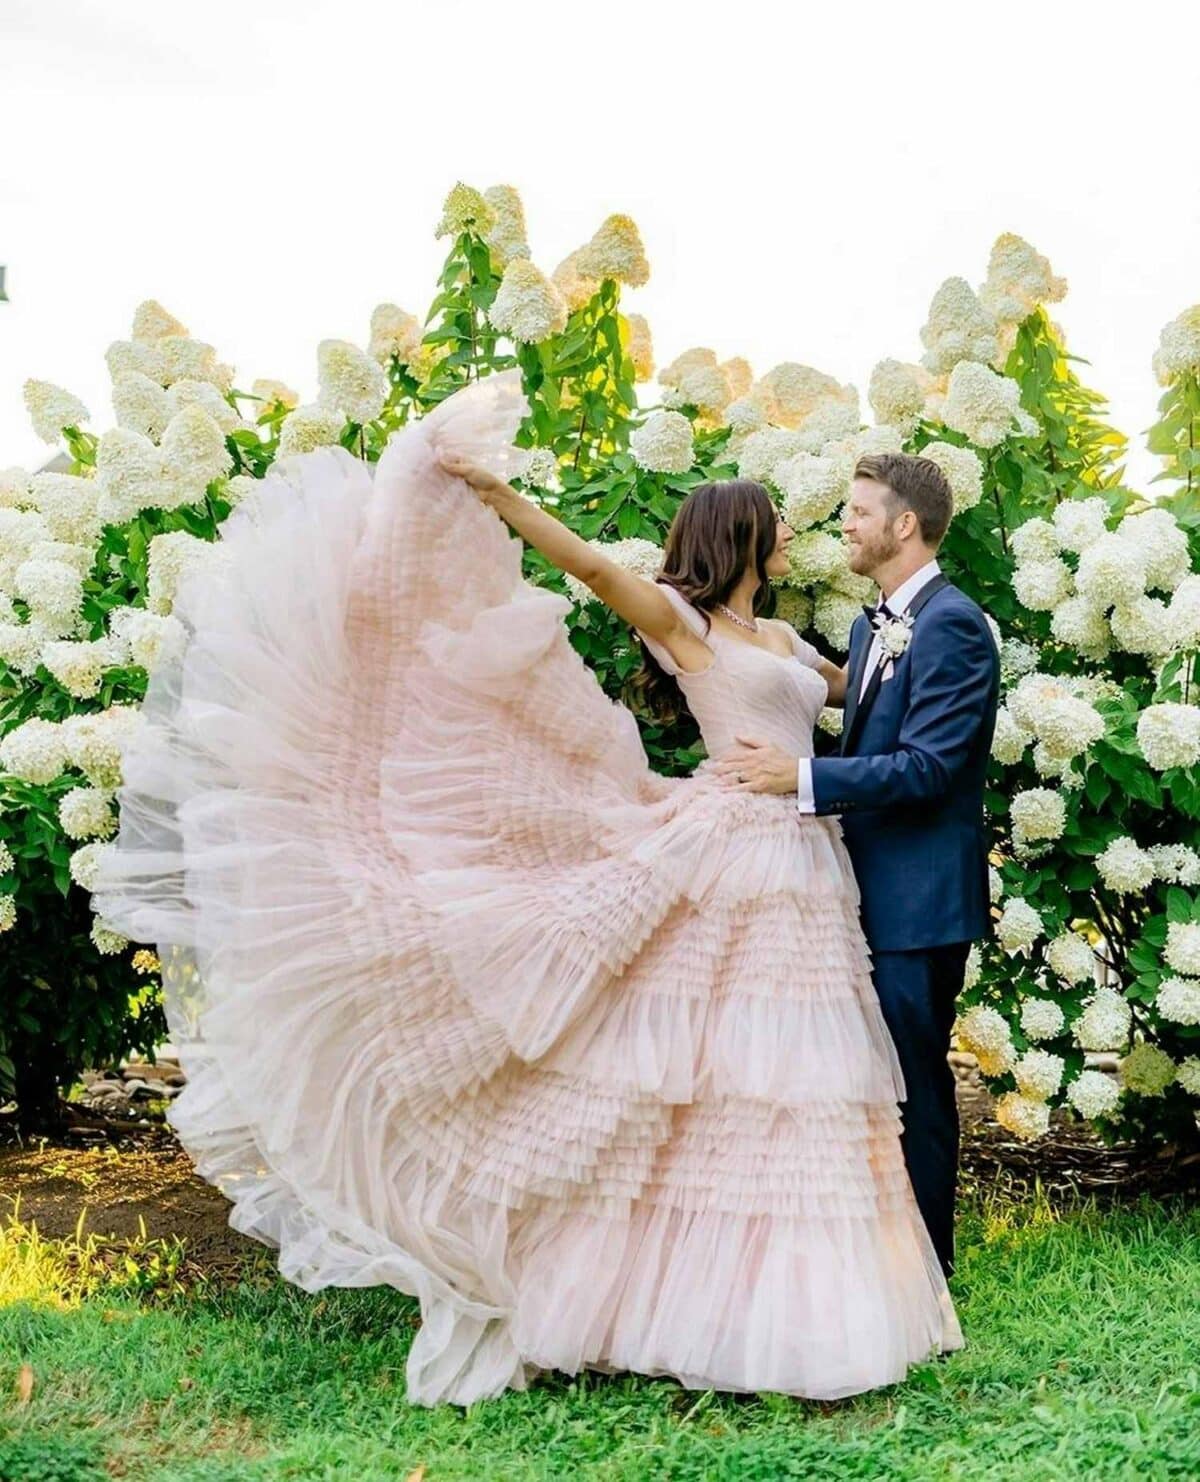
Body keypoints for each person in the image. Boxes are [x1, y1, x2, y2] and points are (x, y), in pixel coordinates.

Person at [95, 372, 961, 1408]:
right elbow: (593, 566)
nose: (793, 541)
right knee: (702, 1079)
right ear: (738, 538)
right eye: (775, 530)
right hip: (724, 851)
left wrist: (935, 657)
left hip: (803, 861)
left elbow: (868, 695)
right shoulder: (686, 625)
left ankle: (807, 1303)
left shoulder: (788, 641)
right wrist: (499, 500)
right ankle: (662, 1297)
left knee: (789, 1087)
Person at [716, 453, 1001, 1274]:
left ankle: (927, 1272)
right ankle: (871, 1267)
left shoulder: (953, 623)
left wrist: (797, 778)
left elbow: (928, 768)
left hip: (918, 900)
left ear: (903, 525)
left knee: (913, 1083)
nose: (843, 523)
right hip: (859, 890)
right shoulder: (869, 624)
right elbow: (872, 715)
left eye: (857, 510)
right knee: (868, 1083)